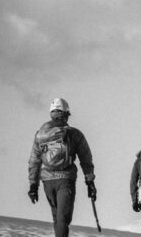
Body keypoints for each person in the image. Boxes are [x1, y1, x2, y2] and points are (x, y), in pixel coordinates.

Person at [27, 98, 96, 237]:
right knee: (63, 220)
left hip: (47, 181)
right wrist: (90, 181)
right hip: (65, 180)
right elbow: (86, 159)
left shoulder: (40, 135)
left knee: (57, 219)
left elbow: (34, 161)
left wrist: (33, 186)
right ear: (66, 113)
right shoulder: (74, 133)